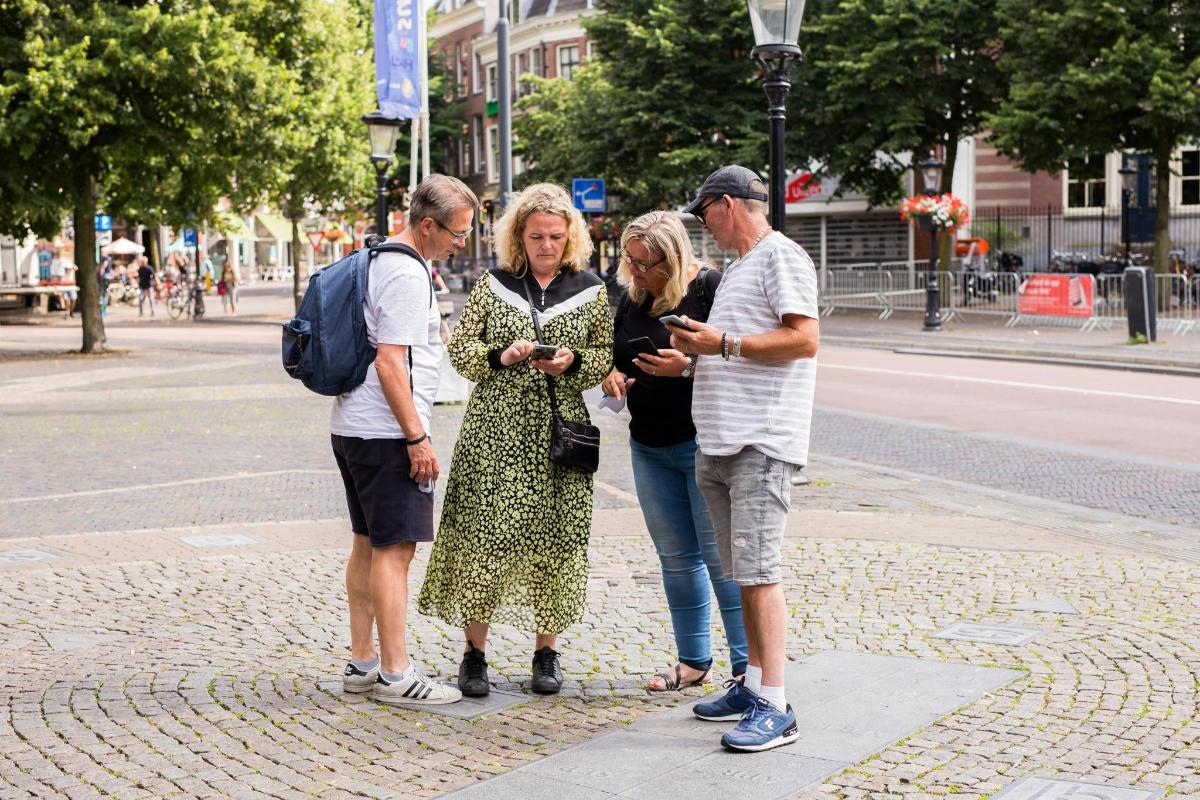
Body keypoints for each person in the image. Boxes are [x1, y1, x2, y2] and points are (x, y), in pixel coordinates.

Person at [417, 182, 613, 698]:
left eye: (554, 235)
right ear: (518, 238)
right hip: (495, 430)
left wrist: (573, 362)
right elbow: (460, 352)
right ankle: (473, 656)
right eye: (535, 236)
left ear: (570, 236)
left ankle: (545, 653)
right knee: (485, 538)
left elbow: (603, 357)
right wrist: (501, 355)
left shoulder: (591, 289)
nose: (546, 245)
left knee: (556, 540)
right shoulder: (493, 283)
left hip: (559, 431)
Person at [669, 165, 819, 753]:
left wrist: (721, 343)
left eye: (703, 213)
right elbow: (737, 348)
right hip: (723, 439)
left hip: (761, 440)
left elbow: (804, 340)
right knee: (739, 570)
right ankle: (752, 683)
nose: (702, 226)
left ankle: (777, 706)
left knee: (759, 573)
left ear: (726, 204)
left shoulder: (782, 256)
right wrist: (690, 357)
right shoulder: (740, 268)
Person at [332, 174, 480, 706]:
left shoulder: (374, 259)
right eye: (458, 234)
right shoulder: (407, 274)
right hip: (387, 432)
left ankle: (363, 661)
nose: (461, 243)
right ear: (427, 225)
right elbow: (391, 362)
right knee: (396, 551)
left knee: (367, 544)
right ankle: (397, 673)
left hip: (352, 425)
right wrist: (417, 437)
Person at [600, 211, 747, 693]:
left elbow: (740, 362)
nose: (635, 270)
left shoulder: (710, 288)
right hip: (647, 443)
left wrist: (687, 369)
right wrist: (614, 377)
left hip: (701, 443)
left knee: (720, 558)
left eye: (645, 262)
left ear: (673, 254)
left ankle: (747, 668)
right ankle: (693, 661)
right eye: (631, 259)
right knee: (675, 557)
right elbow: (616, 354)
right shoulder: (633, 295)